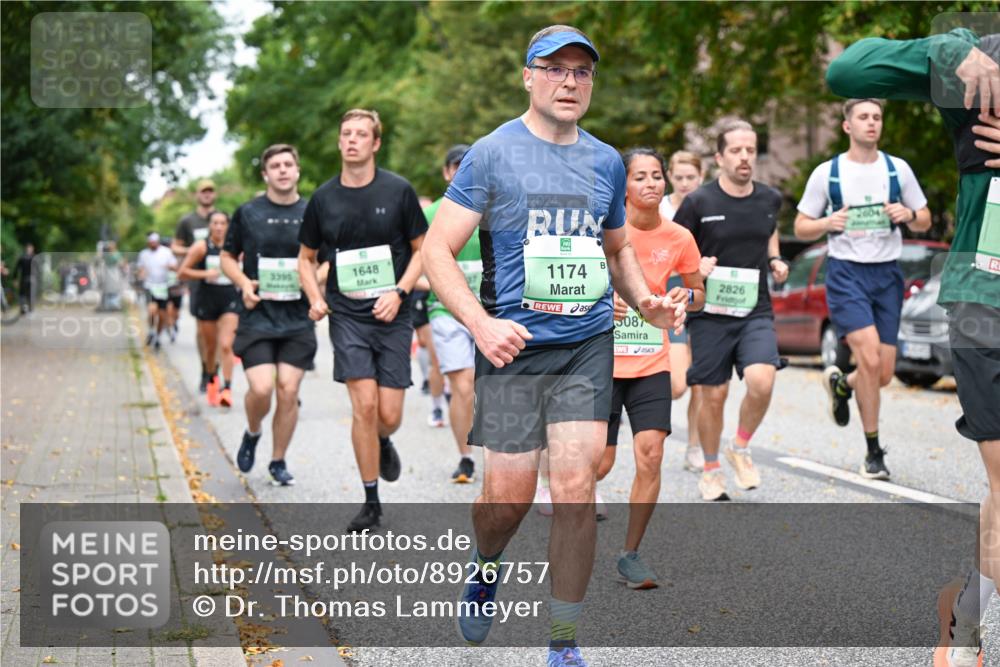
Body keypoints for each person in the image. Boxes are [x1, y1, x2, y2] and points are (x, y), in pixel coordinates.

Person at [422, 26, 685, 667]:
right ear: (529, 76)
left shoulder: (604, 161)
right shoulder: (491, 154)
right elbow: (436, 250)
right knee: (506, 501)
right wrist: (481, 325)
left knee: (575, 487)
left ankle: (563, 643)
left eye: (582, 72)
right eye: (556, 69)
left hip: (585, 345)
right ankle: (486, 565)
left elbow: (617, 248)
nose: (570, 82)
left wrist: (646, 298)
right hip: (513, 350)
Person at [826, 28, 999, 667]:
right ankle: (969, 627)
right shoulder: (984, 66)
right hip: (987, 296)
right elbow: (847, 71)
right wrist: (951, 52)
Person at [298, 109, 428, 532]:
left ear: (375, 144)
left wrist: (400, 292)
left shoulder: (399, 190)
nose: (352, 140)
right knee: (364, 406)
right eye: (346, 134)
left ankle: (384, 438)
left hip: (392, 314)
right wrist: (315, 297)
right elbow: (306, 258)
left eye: (361, 134)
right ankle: (370, 500)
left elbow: (423, 249)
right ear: (340, 143)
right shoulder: (323, 198)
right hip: (347, 315)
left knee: (388, 415)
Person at [794, 98, 931, 479]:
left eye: (877, 117)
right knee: (869, 360)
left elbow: (924, 219)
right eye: (864, 117)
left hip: (887, 276)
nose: (872, 123)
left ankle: (842, 386)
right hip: (846, 275)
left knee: (883, 373)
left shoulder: (897, 169)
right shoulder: (828, 173)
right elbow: (801, 226)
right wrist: (827, 222)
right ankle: (874, 452)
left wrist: (908, 215)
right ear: (847, 126)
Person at [598, 147, 704, 589]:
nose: (650, 184)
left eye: (656, 176)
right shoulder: (602, 232)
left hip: (650, 360)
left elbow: (698, 291)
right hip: (601, 360)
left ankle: (631, 555)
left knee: (651, 454)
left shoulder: (679, 237)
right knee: (598, 465)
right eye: (639, 176)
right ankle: (571, 531)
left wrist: (685, 297)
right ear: (623, 186)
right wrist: (607, 300)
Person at [674, 120, 789, 502]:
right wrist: (695, 269)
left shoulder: (769, 198)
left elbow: (769, 230)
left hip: (754, 309)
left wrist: (775, 259)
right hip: (709, 313)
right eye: (736, 151)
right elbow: (674, 248)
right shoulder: (699, 203)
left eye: (750, 150)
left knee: (762, 380)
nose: (744, 157)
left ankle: (739, 447)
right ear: (720, 157)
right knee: (714, 395)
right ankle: (710, 469)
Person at [222, 144, 315, 487]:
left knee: (288, 390)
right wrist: (244, 283)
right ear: (265, 174)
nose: (282, 170)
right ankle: (252, 430)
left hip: (297, 318)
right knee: (261, 389)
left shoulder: (312, 212)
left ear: (297, 170)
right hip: (258, 315)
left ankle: (278, 460)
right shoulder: (248, 212)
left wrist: (311, 283)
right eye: (275, 165)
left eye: (288, 164)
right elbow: (227, 257)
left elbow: (327, 261)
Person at [423, 144, 478, 482]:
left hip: (493, 311)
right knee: (463, 385)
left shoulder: (496, 208)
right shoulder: (430, 216)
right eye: (455, 166)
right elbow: (418, 263)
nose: (461, 171)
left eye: (468, 165)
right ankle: (466, 456)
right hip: (445, 310)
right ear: (446, 173)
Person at [663, 150, 707, 472]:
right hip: (669, 298)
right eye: (678, 177)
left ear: (701, 177)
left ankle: (694, 446)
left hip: (705, 298)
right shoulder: (660, 209)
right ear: (669, 177)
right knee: (678, 384)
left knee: (703, 380)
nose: (684, 183)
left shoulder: (710, 205)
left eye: (690, 177)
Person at [178, 210, 240, 408]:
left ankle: (227, 388)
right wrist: (205, 273)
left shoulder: (235, 246)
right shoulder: (201, 247)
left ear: (228, 226)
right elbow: (182, 272)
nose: (219, 227)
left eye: (223, 223)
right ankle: (212, 377)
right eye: (215, 223)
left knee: (226, 345)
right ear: (210, 226)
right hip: (207, 300)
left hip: (229, 298)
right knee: (211, 347)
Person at [173, 179, 217, 391]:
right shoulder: (187, 221)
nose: (207, 195)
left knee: (219, 331)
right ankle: (204, 369)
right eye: (203, 191)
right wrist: (194, 250)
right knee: (202, 329)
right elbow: (175, 247)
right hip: (198, 281)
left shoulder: (222, 218)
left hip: (220, 279)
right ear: (197, 195)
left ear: (214, 194)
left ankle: (214, 371)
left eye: (210, 191)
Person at [136, 233, 177, 350]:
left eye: (155, 242)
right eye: (151, 242)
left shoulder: (166, 252)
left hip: (163, 286)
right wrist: (141, 273)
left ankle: (158, 336)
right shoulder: (144, 254)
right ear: (148, 242)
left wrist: (170, 267)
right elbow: (141, 268)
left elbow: (174, 266)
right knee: (152, 311)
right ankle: (151, 330)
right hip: (149, 285)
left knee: (162, 315)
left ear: (158, 241)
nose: (153, 244)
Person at [13, 243, 36, 314]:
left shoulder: (34, 258)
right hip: (23, 279)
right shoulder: (22, 258)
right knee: (22, 295)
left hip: (31, 279)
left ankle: (29, 309)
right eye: (28, 248)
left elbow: (37, 270)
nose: (29, 249)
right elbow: (16, 269)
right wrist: (15, 279)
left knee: (29, 295)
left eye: (30, 248)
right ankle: (23, 309)